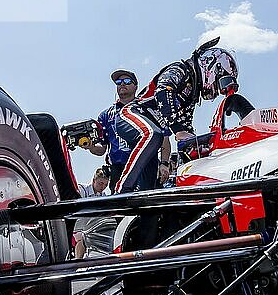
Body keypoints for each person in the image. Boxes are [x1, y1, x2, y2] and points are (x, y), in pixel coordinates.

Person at [114, 37, 238, 193]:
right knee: (153, 135)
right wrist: (178, 130)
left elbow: (186, 134)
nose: (217, 90)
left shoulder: (191, 98)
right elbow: (163, 91)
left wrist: (199, 149)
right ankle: (121, 190)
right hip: (130, 115)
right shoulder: (180, 69)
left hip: (150, 136)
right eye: (220, 81)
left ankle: (145, 214)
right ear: (211, 66)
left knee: (149, 190)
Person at [86, 69, 171, 193]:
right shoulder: (105, 115)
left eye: (127, 81)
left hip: (146, 165)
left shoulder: (148, 109)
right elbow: (102, 149)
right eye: (118, 82)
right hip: (119, 168)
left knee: (149, 206)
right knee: (121, 207)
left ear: (135, 86)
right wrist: (90, 146)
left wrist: (164, 163)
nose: (122, 84)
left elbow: (164, 138)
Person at [73, 167, 110, 258]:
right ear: (94, 180)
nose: (103, 187)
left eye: (106, 185)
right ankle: (78, 262)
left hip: (91, 228)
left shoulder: (103, 196)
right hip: (76, 227)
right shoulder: (81, 190)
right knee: (83, 238)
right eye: (101, 183)